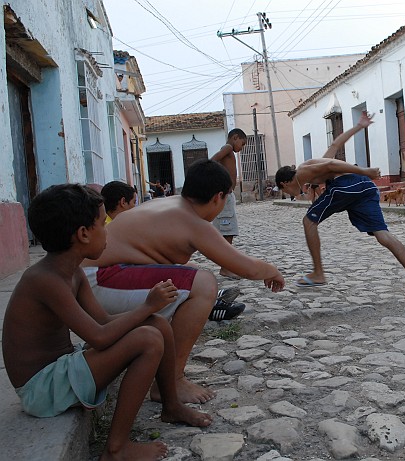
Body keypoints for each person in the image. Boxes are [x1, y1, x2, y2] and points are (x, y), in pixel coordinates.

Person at [2, 184, 212, 461]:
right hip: (42, 390)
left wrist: (150, 312)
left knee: (156, 325)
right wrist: (147, 306)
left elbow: (102, 320)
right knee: (148, 338)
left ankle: (170, 404)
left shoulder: (73, 272)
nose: (108, 233)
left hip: (61, 370)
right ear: (83, 234)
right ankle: (116, 449)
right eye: (103, 225)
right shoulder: (46, 280)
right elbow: (100, 336)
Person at [83, 160, 285, 404]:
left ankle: (162, 361)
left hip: (94, 279)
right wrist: (272, 270)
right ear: (218, 197)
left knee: (188, 271)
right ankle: (171, 381)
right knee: (203, 283)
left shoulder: (165, 203)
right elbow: (247, 268)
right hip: (97, 281)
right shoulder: (194, 222)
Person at [275, 111, 405, 308]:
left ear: (285, 182)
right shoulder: (311, 172)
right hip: (364, 188)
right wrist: (359, 127)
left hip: (349, 184)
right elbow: (335, 146)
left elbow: (332, 163)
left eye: (286, 191)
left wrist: (364, 171)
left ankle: (318, 272)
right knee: (382, 234)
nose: (291, 194)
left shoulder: (303, 170)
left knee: (308, 221)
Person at [211, 128, 247, 279]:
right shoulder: (227, 148)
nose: (242, 147)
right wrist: (221, 181)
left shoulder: (230, 151)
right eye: (242, 144)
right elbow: (212, 160)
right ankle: (225, 267)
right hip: (225, 196)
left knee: (229, 233)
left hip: (228, 196)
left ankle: (226, 266)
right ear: (235, 137)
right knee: (227, 233)